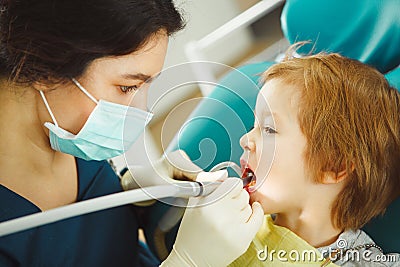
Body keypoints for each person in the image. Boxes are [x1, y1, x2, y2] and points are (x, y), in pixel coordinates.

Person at [0, 1, 264, 266]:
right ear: (41, 68)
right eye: (127, 87)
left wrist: (133, 190)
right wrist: (187, 262)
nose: (141, 111)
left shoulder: (69, 134)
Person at [230, 49, 400, 266]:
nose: (245, 140)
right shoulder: (236, 221)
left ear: (333, 166)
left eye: (269, 129)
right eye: (253, 127)